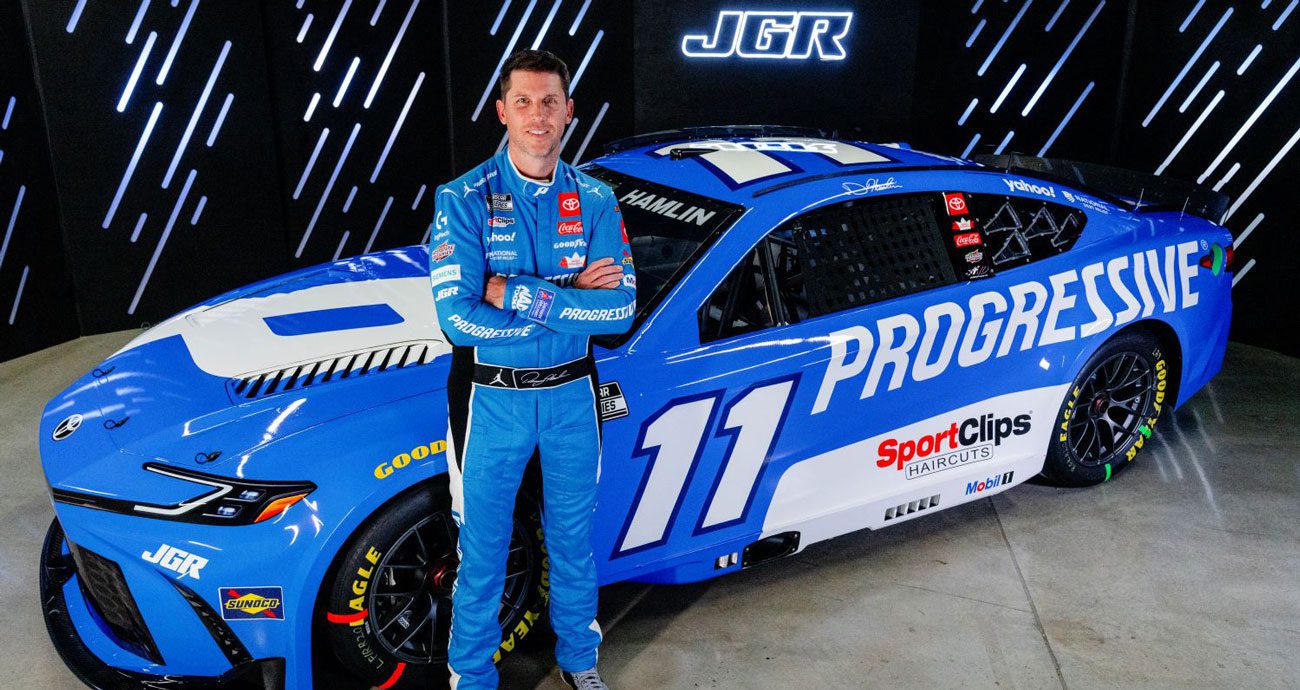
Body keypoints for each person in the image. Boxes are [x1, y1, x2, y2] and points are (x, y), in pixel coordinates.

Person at [429, 49, 635, 690]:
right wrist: (572, 300)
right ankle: (471, 676)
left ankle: (579, 661)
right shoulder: (461, 199)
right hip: (491, 402)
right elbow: (458, 322)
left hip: (573, 398)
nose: (537, 115)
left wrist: (518, 293)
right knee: (482, 552)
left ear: (570, 111)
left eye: (549, 101)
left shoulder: (596, 199)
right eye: (524, 101)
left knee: (573, 543)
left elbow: (620, 310)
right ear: (502, 111)